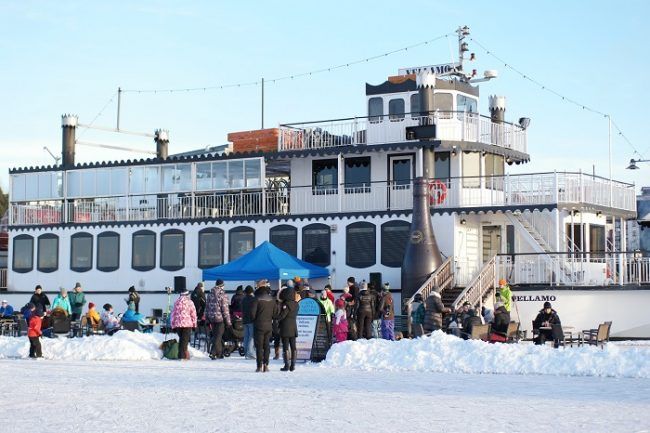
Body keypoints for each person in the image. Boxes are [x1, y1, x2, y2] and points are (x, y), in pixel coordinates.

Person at [251, 281, 275, 372]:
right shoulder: (272, 299)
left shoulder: (256, 299)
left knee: (259, 347)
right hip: (268, 325)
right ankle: (266, 364)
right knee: (267, 346)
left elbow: (252, 314)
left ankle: (259, 366)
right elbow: (275, 313)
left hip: (258, 325)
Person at [205, 279, 232, 360]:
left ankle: (219, 353)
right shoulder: (222, 294)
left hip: (211, 318)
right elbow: (225, 309)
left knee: (216, 336)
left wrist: (207, 318)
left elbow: (207, 307)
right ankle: (212, 353)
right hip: (220, 319)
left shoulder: (210, 294)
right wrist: (228, 322)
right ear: (222, 285)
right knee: (218, 337)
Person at [170, 288, 198, 360]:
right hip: (187, 324)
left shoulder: (176, 302)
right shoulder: (190, 302)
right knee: (184, 341)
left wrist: (173, 326)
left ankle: (183, 355)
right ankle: (182, 356)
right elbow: (193, 314)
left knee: (182, 339)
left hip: (178, 324)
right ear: (187, 294)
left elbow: (173, 314)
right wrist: (194, 324)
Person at [275, 287, 298, 371]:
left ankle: (287, 365)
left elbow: (282, 315)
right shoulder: (296, 304)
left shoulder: (286, 304)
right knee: (293, 346)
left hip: (285, 327)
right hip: (293, 326)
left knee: (285, 346)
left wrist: (275, 318)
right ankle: (293, 365)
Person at [241, 285, 256, 360]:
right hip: (251, 320)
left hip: (244, 320)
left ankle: (246, 352)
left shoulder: (243, 299)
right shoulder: (253, 299)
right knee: (251, 336)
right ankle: (250, 353)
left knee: (246, 337)